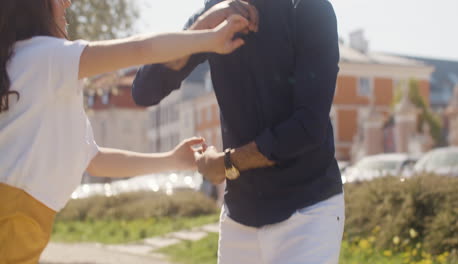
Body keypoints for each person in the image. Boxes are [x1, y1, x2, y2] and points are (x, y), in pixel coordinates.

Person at [0, 0, 255, 263]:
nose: (68, 2)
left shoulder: (28, 67)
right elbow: (141, 49)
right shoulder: (47, 58)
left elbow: (95, 161)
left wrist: (172, 160)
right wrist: (208, 38)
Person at [133, 0, 345, 263]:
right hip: (240, 218)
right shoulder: (216, 13)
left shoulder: (309, 8)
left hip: (308, 211)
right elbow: (144, 90)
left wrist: (226, 163)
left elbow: (307, 127)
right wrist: (203, 27)